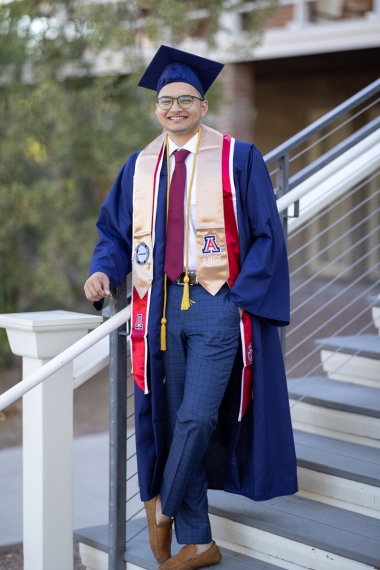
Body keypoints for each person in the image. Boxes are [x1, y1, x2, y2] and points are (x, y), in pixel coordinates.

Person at [85, 45, 297, 570]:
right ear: (157, 108)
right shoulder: (139, 167)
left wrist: (239, 298)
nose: (175, 108)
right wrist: (103, 272)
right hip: (157, 308)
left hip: (216, 303)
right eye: (166, 100)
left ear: (203, 106)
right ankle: (200, 542)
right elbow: (114, 233)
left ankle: (161, 508)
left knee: (199, 417)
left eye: (186, 99)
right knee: (178, 417)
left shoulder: (237, 158)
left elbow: (268, 234)